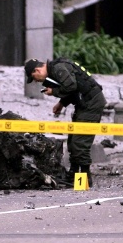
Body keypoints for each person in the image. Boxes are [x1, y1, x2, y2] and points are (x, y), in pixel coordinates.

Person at [24, 57, 106, 187]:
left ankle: (85, 177)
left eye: (34, 77)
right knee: (73, 140)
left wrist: (54, 92)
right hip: (84, 104)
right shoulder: (56, 69)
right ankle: (73, 175)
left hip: (91, 104)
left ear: (37, 70)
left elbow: (71, 86)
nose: (36, 81)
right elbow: (75, 88)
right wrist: (61, 103)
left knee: (80, 142)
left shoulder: (58, 68)